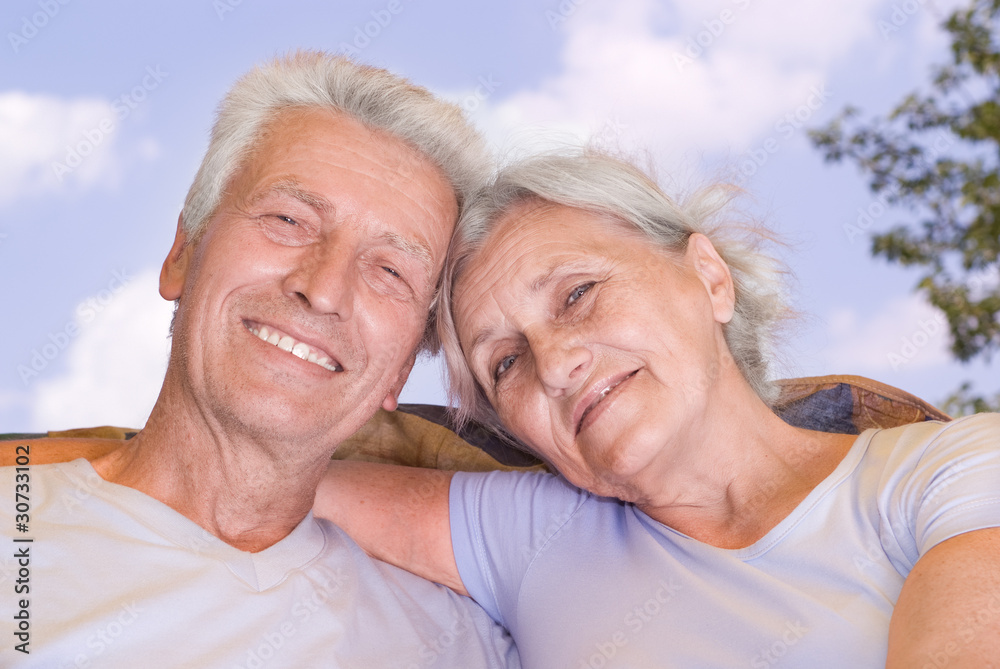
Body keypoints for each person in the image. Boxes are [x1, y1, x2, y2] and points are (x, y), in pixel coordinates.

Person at [316, 150, 1000, 668]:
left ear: (709, 278)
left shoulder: (948, 471)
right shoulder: (527, 532)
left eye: (578, 292)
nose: (554, 363)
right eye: (506, 362)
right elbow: (251, 465)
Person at [0, 52, 519, 668]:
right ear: (183, 251)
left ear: (405, 365)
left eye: (389, 270)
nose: (323, 289)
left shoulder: (480, 636)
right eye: (289, 219)